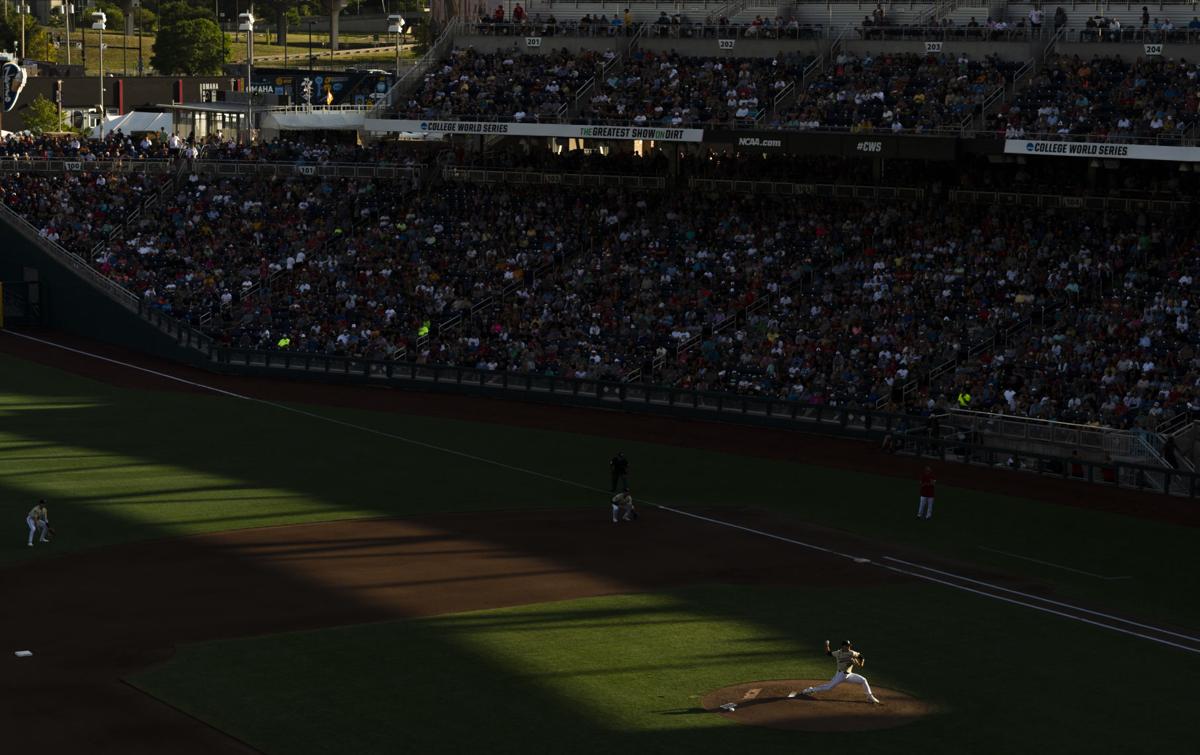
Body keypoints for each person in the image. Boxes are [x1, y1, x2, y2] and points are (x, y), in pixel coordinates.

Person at [793, 640, 882, 704]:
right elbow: (828, 653)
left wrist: (860, 663)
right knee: (828, 688)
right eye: (847, 646)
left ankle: (869, 697)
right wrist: (827, 645)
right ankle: (809, 690)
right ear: (843, 646)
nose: (849, 647)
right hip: (840, 675)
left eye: (849, 645)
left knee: (863, 680)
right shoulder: (838, 653)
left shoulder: (851, 653)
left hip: (849, 675)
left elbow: (861, 656)